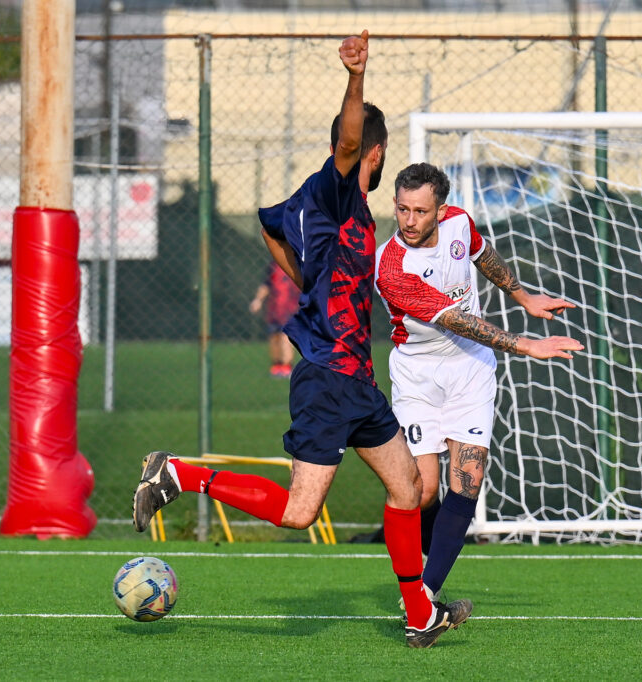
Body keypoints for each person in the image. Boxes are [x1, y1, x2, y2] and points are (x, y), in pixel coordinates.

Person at [132, 31, 468, 649]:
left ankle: (419, 611)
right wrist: (356, 77)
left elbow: (269, 227)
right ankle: (180, 473)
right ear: (380, 150)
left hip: (355, 379)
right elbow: (346, 139)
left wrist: (308, 281)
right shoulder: (338, 190)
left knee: (410, 489)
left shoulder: (320, 202)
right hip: (326, 374)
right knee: (298, 513)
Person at [375, 162, 584, 605]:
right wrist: (527, 345)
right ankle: (416, 579)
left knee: (468, 478)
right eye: (402, 210)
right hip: (417, 376)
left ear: (440, 210)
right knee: (421, 489)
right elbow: (458, 321)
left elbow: (481, 254)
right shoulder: (392, 267)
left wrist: (524, 297)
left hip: (470, 369)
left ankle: (422, 595)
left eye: (420, 211)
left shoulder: (460, 223)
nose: (409, 221)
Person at [249, 261, 299, 378]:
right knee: (274, 338)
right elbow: (266, 285)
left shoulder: (299, 264)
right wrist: (258, 300)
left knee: (286, 337)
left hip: (291, 309)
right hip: (275, 310)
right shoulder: (274, 266)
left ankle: (287, 367)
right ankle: (277, 366)